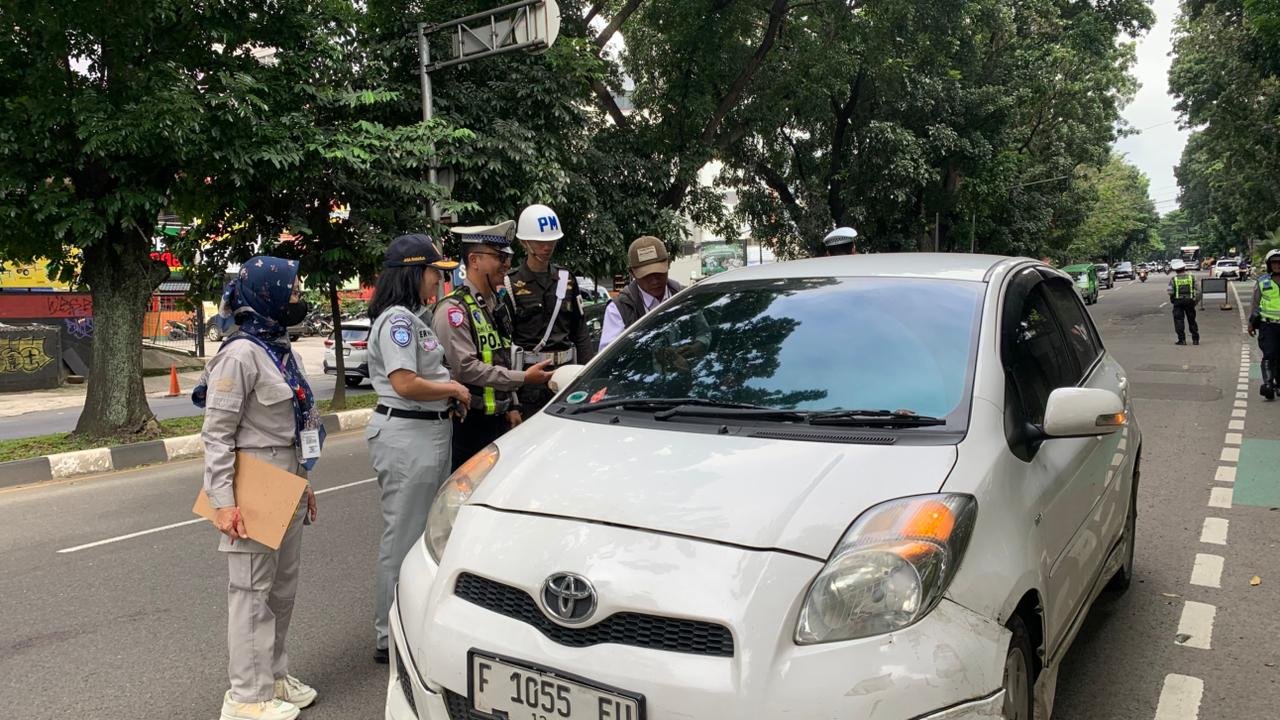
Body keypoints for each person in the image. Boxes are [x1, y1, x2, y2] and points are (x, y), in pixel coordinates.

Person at [194, 257, 320, 720]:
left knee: (281, 590)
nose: (296, 299)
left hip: (286, 478)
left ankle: (274, 677)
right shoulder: (240, 354)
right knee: (250, 592)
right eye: (290, 292)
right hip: (252, 482)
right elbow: (217, 435)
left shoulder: (282, 350)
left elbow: (293, 428)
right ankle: (246, 698)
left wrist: (304, 485)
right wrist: (223, 503)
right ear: (265, 294)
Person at [364, 234, 471, 664]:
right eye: (433, 273)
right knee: (404, 537)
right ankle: (389, 634)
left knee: (424, 536)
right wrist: (453, 388)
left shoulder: (413, 319)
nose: (437, 282)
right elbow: (405, 382)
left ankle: (411, 621)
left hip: (425, 432)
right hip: (409, 436)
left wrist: (447, 398)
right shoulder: (398, 323)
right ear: (414, 271)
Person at [434, 221, 553, 469]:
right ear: (474, 260)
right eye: (499, 257)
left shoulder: (495, 305)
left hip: (498, 421)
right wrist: (522, 378)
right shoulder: (455, 309)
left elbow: (501, 356)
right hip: (468, 423)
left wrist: (513, 404)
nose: (507, 264)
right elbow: (466, 367)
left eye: (508, 256)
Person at [508, 203, 595, 418]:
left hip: (565, 375)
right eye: (540, 242)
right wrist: (511, 401)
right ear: (524, 242)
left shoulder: (566, 278)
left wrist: (588, 377)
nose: (546, 247)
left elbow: (580, 331)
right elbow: (504, 342)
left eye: (551, 241)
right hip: (527, 383)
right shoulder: (510, 282)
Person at [599, 236, 685, 350]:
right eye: (647, 275)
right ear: (632, 273)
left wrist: (697, 346)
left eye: (659, 273)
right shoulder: (619, 310)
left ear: (668, 263)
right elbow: (609, 357)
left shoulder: (683, 295)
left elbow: (702, 332)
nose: (654, 280)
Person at [1249, 249, 1280, 400]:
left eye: (1279, 262)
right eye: (1274, 262)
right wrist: (1251, 323)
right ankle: (1268, 384)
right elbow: (1255, 304)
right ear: (1269, 264)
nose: (1277, 265)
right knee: (1269, 354)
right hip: (1267, 326)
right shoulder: (1263, 281)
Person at [1167, 258, 1200, 346]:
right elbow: (1199, 291)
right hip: (1189, 301)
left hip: (1178, 302)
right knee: (1192, 320)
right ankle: (1195, 339)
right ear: (1184, 268)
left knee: (1179, 321)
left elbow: (1170, 292)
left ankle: (1182, 340)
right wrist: (1195, 301)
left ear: (1176, 270)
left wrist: (1173, 299)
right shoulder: (1191, 277)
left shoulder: (1173, 279)